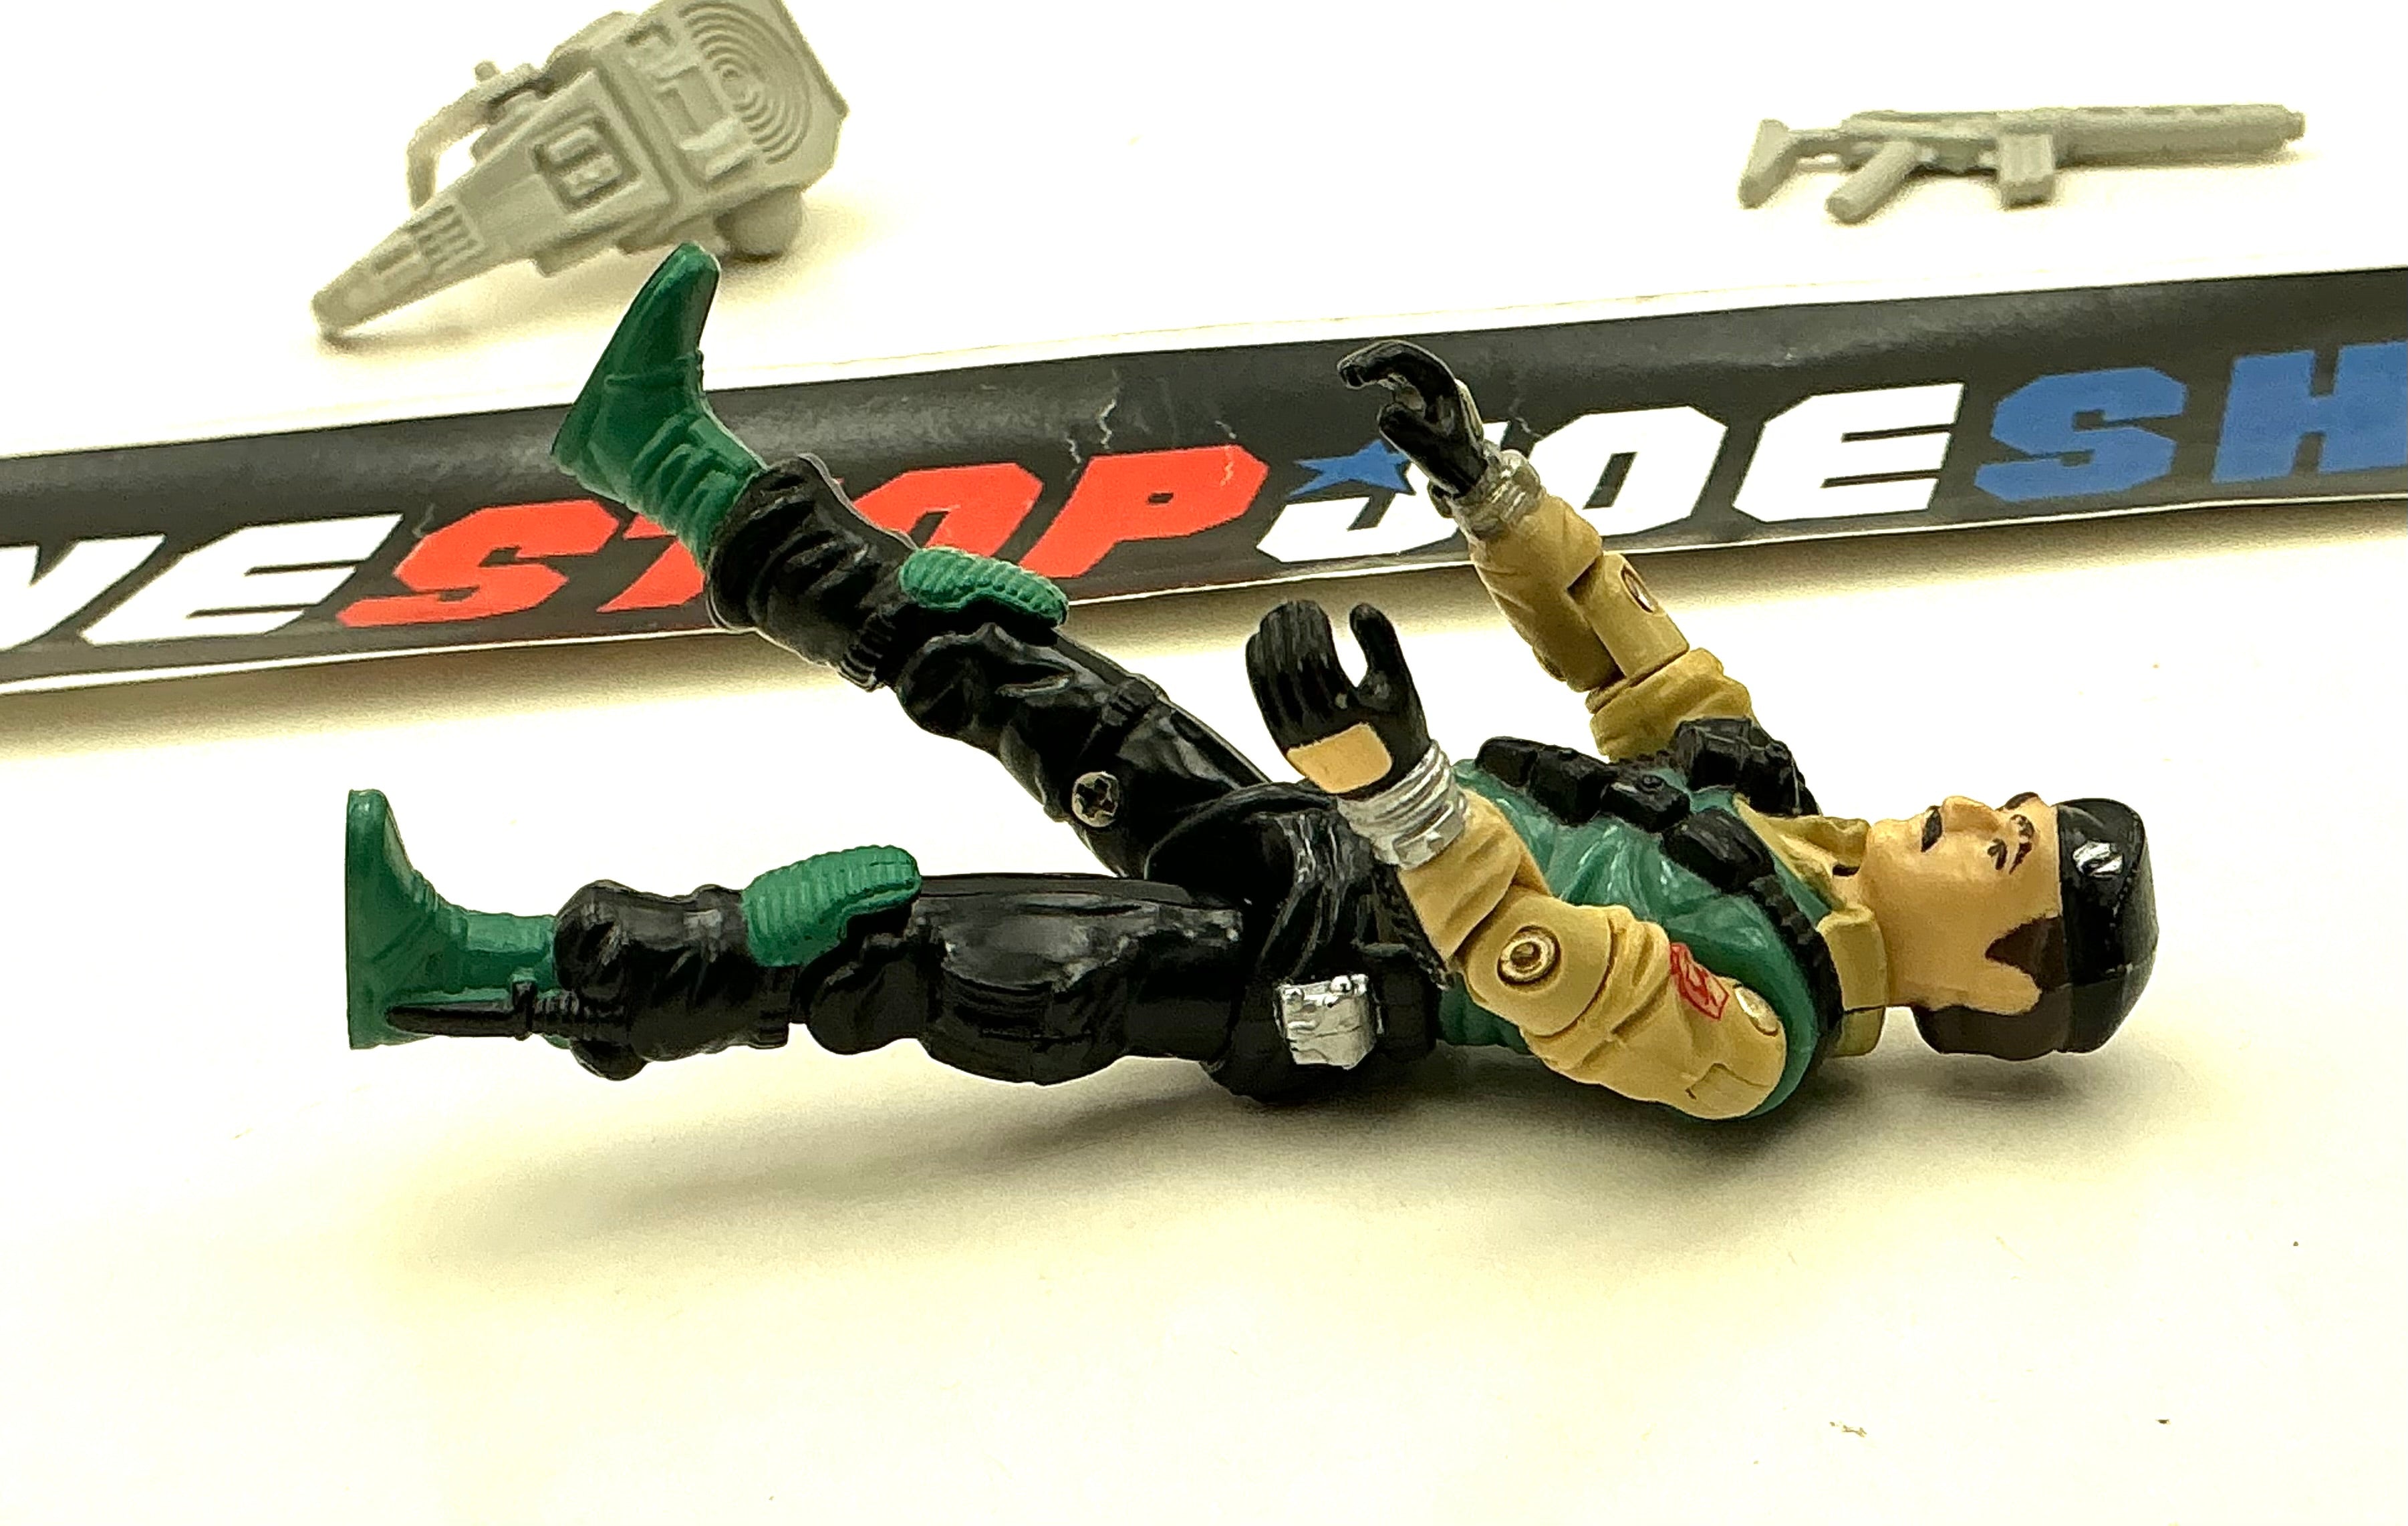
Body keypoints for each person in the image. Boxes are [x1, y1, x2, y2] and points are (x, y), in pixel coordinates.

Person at [347, 246, 2155, 1120]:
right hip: (1321, 832)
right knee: (996, 646)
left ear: (1998, 982)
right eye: (2008, 808)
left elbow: (1551, 967)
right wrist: (1485, 484)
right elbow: (1635, 651)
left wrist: (1402, 790)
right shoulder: (1771, 814)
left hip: (1301, 965)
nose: (1975, 811)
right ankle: (660, 457)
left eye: (2006, 852)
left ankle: (477, 973)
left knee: (890, 937)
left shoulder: (1755, 1033)